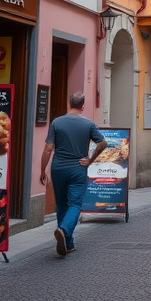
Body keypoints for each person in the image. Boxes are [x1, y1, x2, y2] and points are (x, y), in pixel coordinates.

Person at [40, 92, 107, 256]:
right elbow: (102, 143)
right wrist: (90, 160)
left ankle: (68, 243)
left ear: (68, 104)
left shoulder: (57, 122)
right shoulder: (88, 124)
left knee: (62, 204)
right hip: (78, 168)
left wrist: (43, 170)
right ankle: (63, 230)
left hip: (58, 168)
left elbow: (49, 148)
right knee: (75, 204)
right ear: (83, 106)